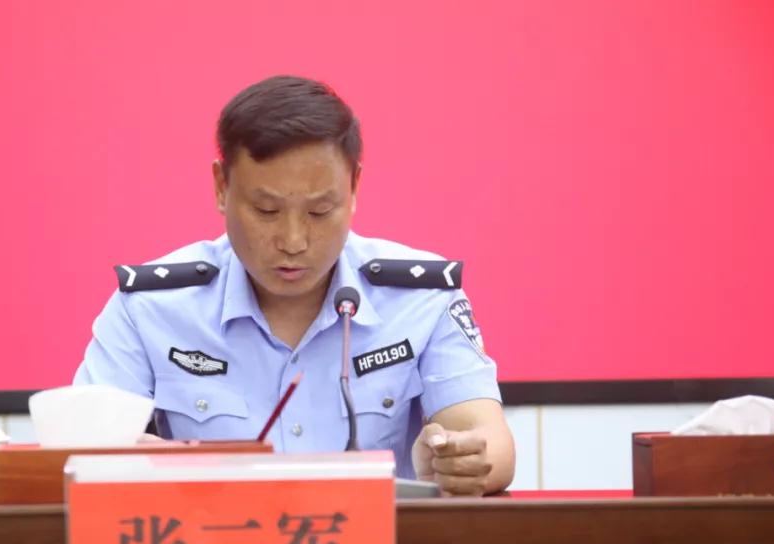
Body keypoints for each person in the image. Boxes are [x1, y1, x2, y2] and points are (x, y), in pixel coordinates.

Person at [74, 75, 515, 495]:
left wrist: (461, 460)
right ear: (222, 187)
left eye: (319, 212)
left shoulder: (422, 298)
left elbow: (488, 440)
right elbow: (80, 453)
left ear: (354, 186)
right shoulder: (150, 307)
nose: (293, 241)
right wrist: (128, 458)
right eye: (266, 211)